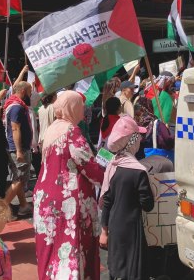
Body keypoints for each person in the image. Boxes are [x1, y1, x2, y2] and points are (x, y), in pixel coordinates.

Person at [34, 91, 104, 280]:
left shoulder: (52, 129)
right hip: (67, 200)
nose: (83, 108)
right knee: (70, 247)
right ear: (71, 107)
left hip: (45, 197)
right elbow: (88, 165)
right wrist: (107, 177)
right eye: (80, 105)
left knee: (51, 248)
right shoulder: (71, 131)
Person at [99, 115, 154, 280]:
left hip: (115, 226)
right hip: (132, 228)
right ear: (132, 141)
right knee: (133, 270)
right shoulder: (138, 171)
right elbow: (148, 205)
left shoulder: (113, 165)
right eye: (138, 137)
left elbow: (107, 201)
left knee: (117, 269)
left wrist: (104, 231)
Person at [3, 81, 33, 218]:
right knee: (19, 180)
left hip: (15, 148)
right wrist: (19, 150)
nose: (30, 95)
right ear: (22, 92)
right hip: (18, 149)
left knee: (18, 178)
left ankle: (23, 206)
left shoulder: (13, 104)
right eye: (29, 92)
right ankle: (1, 211)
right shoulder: (17, 107)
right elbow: (15, 129)